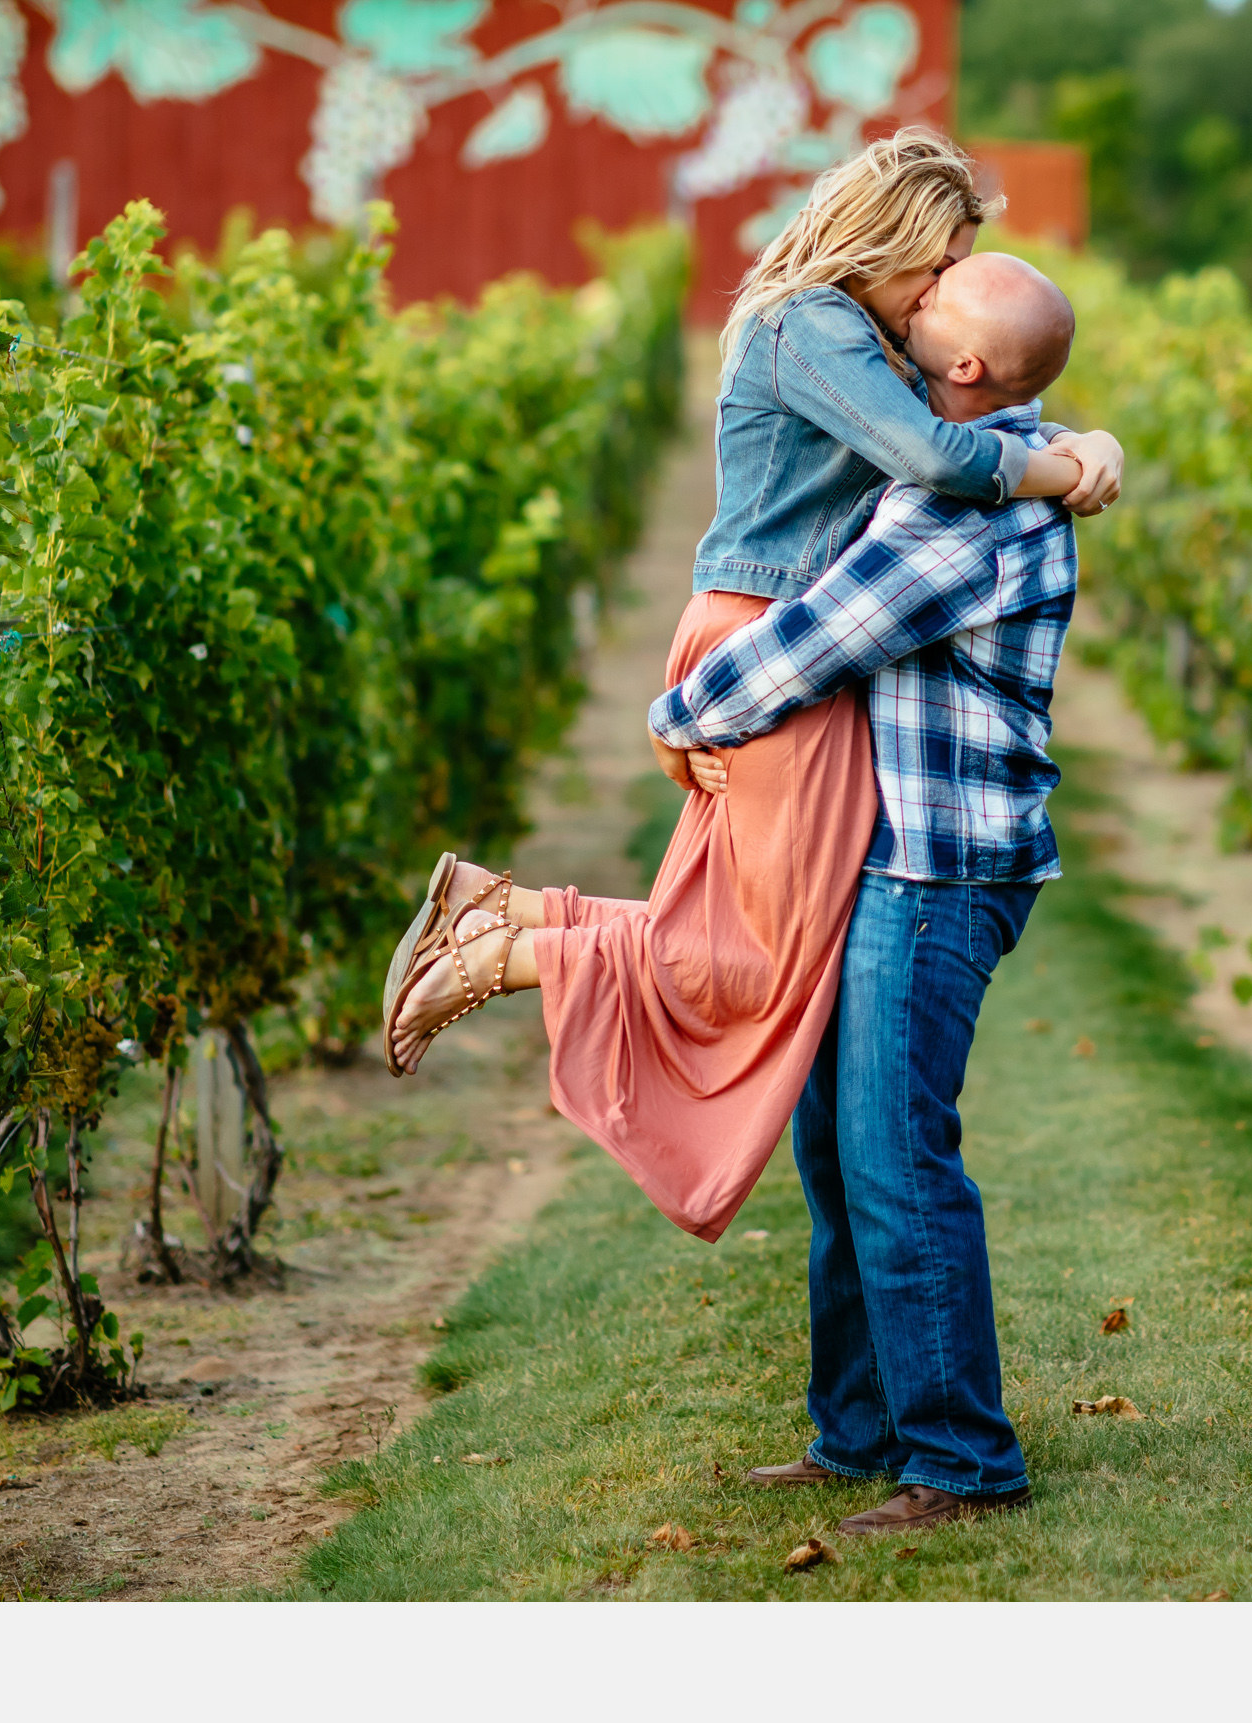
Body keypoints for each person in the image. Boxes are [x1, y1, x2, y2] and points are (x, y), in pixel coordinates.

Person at [381, 131, 1121, 1249]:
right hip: (767, 636)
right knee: (763, 954)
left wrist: (1072, 428)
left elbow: (976, 398)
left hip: (774, 630)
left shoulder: (848, 330)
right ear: (890, 245)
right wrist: (1066, 464)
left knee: (765, 935)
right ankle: (506, 952)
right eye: (938, 268)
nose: (939, 298)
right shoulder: (812, 322)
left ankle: (512, 916)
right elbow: (932, 455)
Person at [646, 250, 1079, 1535]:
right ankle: (859, 1430)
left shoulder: (962, 515)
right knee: (838, 1152)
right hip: (892, 859)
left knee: (895, 1159)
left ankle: (962, 1463)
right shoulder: (969, 466)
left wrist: (679, 711)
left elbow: (810, 646)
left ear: (959, 368)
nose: (899, 308)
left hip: (935, 872)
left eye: (926, 305)